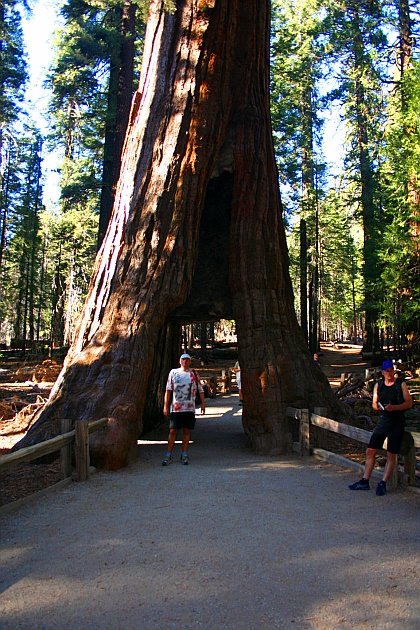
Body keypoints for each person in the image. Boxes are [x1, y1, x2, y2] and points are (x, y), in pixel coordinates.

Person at [349, 359, 412, 495]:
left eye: (391, 370)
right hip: (383, 421)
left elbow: (409, 403)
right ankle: (365, 480)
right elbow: (374, 403)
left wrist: (394, 407)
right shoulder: (379, 385)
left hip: (397, 422)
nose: (390, 373)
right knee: (370, 450)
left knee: (391, 453)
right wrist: (378, 407)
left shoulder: (401, 385)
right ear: (383, 372)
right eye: (387, 371)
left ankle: (383, 482)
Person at [162, 353, 205, 466]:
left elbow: (200, 389)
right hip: (176, 408)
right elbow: (168, 390)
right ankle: (168, 454)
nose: (185, 362)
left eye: (187, 360)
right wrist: (165, 405)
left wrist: (203, 404)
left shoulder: (194, 373)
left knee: (186, 430)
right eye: (183, 360)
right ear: (179, 361)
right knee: (172, 431)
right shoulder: (173, 373)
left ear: (190, 361)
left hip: (189, 407)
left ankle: (184, 453)